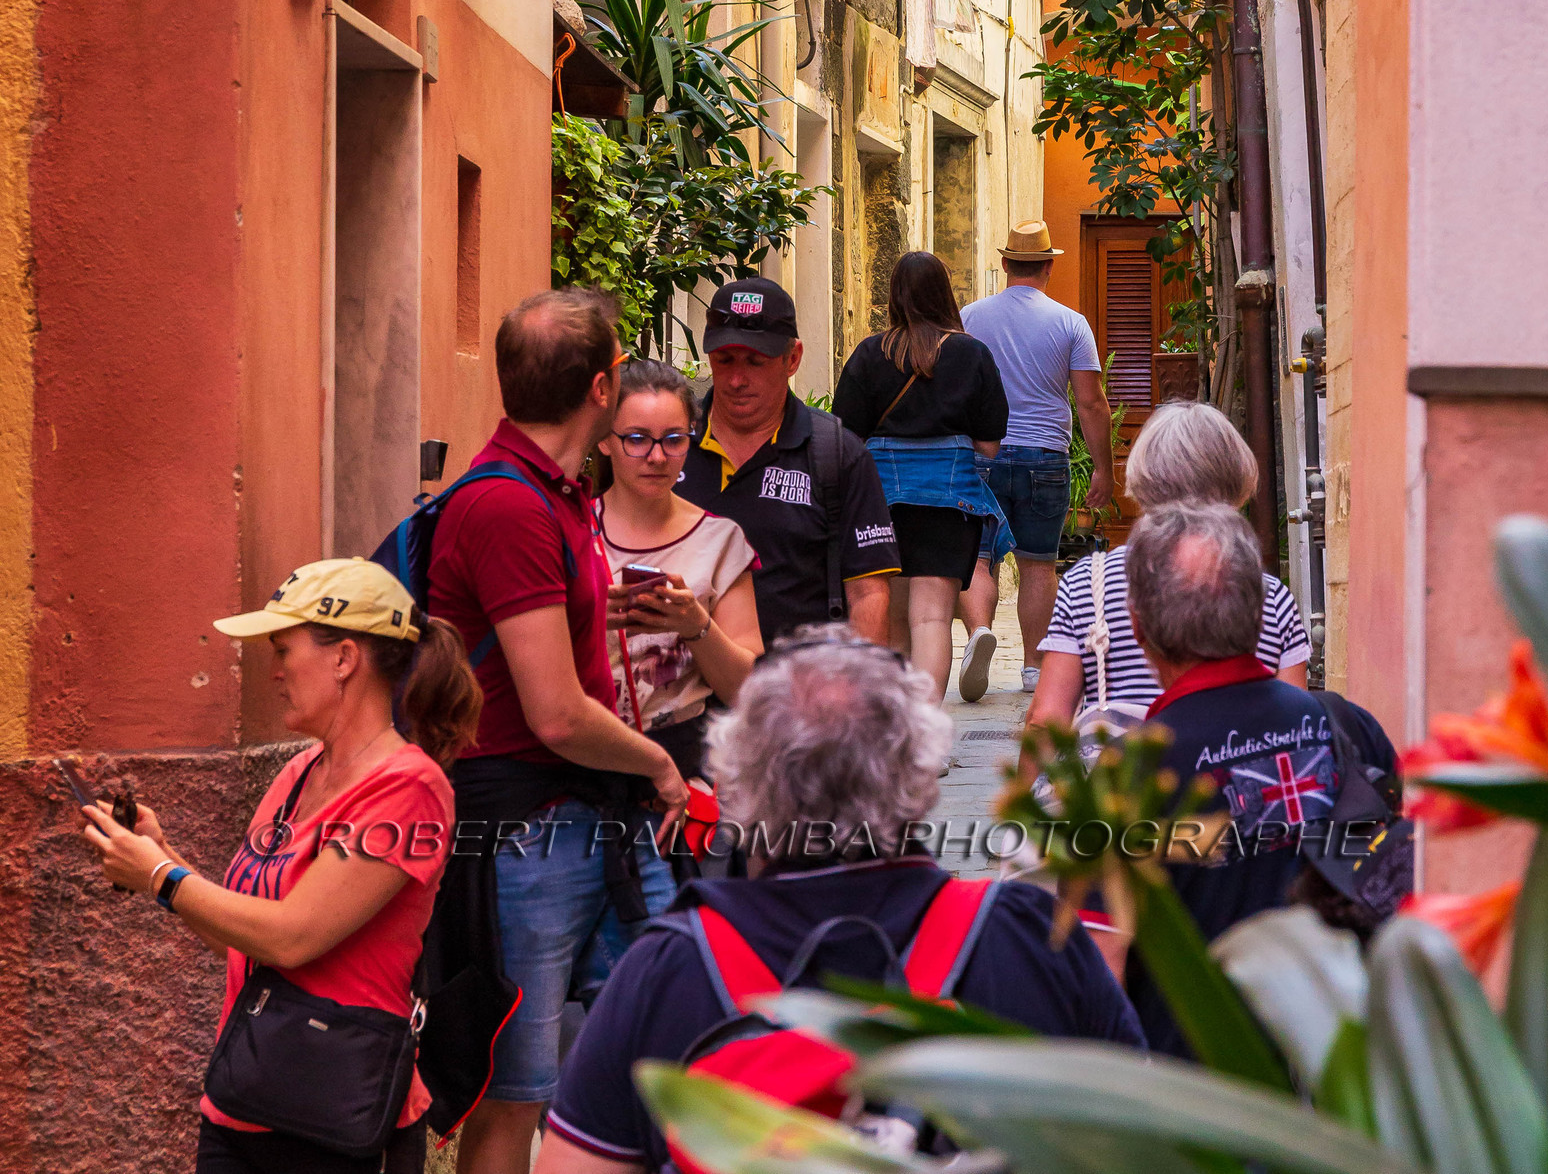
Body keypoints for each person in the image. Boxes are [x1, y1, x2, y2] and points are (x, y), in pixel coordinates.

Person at [537, 629, 1145, 1174]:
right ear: (924, 775)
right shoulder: (1027, 937)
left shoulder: (670, 967)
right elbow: (1141, 1135)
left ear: (737, 786)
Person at [78, 556, 479, 1174]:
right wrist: (159, 858)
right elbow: (249, 938)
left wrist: (160, 875)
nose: (273, 672)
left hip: (334, 1117)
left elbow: (294, 936)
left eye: (282, 649)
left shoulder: (410, 788)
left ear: (344, 658)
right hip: (244, 1100)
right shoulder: (299, 773)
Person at [426, 289, 687, 1174]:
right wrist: (659, 764)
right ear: (604, 387)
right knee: (516, 1090)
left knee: (656, 1047)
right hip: (526, 833)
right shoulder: (507, 506)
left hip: (582, 821)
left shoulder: (554, 492)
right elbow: (555, 712)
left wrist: (584, 606)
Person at [1118, 503, 1400, 1055]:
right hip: (1347, 1070)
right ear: (1257, 612)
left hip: (1207, 1093)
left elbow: (1108, 956)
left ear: (1138, 626)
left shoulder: (1131, 776)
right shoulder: (1348, 725)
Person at [1027, 399, 1311, 736]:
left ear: (1143, 476)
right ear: (1236, 479)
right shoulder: (1271, 596)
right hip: (1230, 778)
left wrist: (1031, 787)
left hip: (1129, 781)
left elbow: (1046, 719)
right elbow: (1295, 724)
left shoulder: (1088, 583)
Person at [677, 275, 900, 645]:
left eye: (755, 362)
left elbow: (868, 592)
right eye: (724, 359)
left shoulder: (836, 454)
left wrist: (859, 691)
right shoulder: (671, 447)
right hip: (682, 692)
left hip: (800, 693)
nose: (736, 379)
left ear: (792, 358)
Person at [833, 250, 1010, 697]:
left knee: (891, 625)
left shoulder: (870, 353)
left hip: (881, 502)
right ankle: (929, 738)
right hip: (949, 502)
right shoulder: (972, 354)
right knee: (931, 619)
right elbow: (990, 443)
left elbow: (844, 437)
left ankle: (899, 742)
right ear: (944, 294)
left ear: (893, 295)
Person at [956, 221, 1113, 701]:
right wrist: (1104, 468)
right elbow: (1090, 403)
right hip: (1045, 456)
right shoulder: (1071, 323)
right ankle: (1032, 667)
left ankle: (980, 632)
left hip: (982, 453)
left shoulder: (969, 317)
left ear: (1005, 264)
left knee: (978, 559)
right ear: (1049, 265)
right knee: (1038, 565)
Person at [597, 356, 764, 778]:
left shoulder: (720, 541)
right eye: (636, 439)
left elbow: (747, 688)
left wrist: (697, 625)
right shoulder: (571, 532)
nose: (656, 457)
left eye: (674, 439)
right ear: (604, 439)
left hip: (686, 753)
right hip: (587, 750)